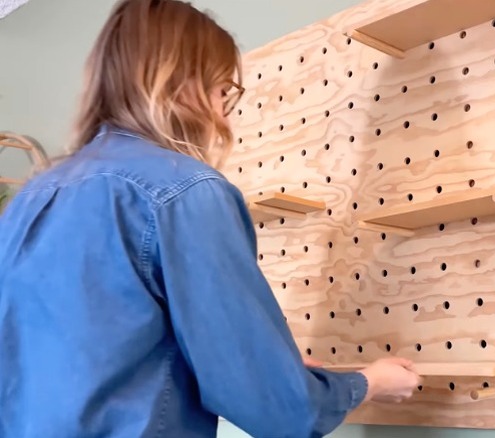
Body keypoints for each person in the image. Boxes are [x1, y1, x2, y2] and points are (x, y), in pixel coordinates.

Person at [0, 0, 422, 437]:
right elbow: (279, 408)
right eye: (223, 92)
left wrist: (264, 362)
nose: (226, 113)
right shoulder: (183, 190)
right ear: (180, 85)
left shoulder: (32, 197)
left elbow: (99, 355)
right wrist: (368, 382)